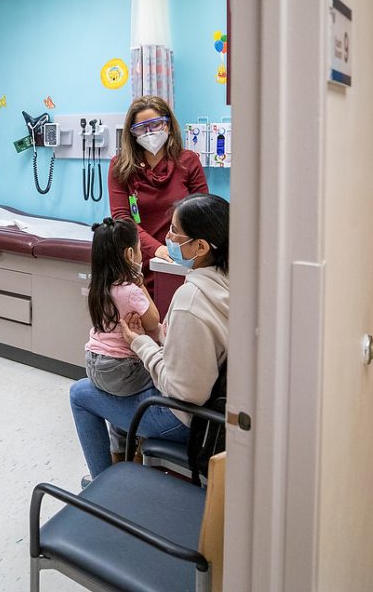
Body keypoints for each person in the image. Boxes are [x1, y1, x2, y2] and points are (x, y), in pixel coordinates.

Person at [70, 193, 229, 479]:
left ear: (201, 246)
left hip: (180, 417)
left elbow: (185, 392)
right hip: (212, 413)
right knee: (113, 390)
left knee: (80, 393)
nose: (166, 237)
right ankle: (123, 469)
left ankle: (103, 490)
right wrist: (153, 338)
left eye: (175, 232)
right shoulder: (226, 283)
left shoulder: (190, 300)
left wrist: (140, 344)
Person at [108, 95, 208, 294]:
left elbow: (203, 212)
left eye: (155, 125)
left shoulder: (187, 161)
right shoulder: (120, 167)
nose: (149, 133)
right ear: (132, 133)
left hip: (181, 260)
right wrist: (156, 249)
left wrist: (181, 252)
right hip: (138, 259)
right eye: (141, 128)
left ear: (168, 125)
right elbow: (122, 219)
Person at [84, 217, 160, 398]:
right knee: (163, 375)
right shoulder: (131, 291)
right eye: (140, 249)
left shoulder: (97, 287)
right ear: (130, 255)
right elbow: (153, 321)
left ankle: (119, 425)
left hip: (93, 362)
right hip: (122, 371)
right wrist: (139, 281)